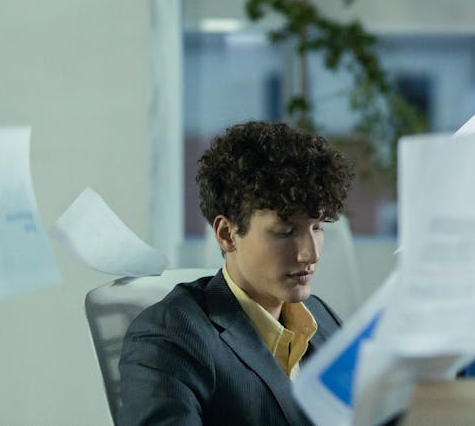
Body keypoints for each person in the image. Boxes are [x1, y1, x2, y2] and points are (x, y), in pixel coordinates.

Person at [118, 121, 353, 426]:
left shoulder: (322, 320)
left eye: (317, 228)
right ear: (227, 234)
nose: (311, 253)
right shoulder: (168, 337)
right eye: (285, 231)